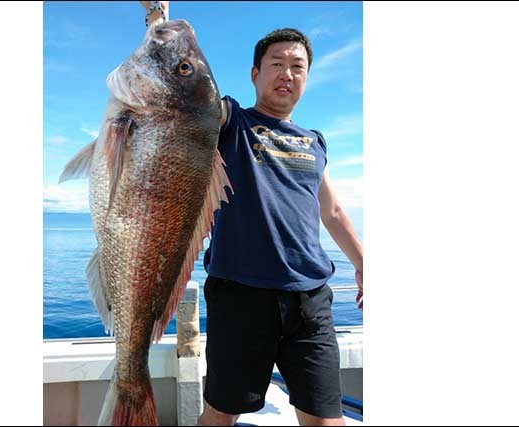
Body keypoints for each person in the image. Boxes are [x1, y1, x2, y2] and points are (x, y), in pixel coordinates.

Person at [140, 2, 363, 426]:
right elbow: (181, 90)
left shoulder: (314, 141)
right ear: (255, 74)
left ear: (307, 78)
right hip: (241, 294)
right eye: (275, 63)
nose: (287, 73)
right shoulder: (232, 121)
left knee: (325, 419)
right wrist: (158, 22)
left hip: (310, 299)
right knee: (221, 414)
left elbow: (331, 210)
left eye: (297, 66)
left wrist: (363, 262)